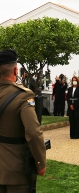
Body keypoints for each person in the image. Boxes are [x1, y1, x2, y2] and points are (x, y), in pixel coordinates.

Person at [0, 50, 46, 192]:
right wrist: (40, 163)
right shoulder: (22, 96)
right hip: (15, 170)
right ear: (15, 70)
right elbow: (33, 132)